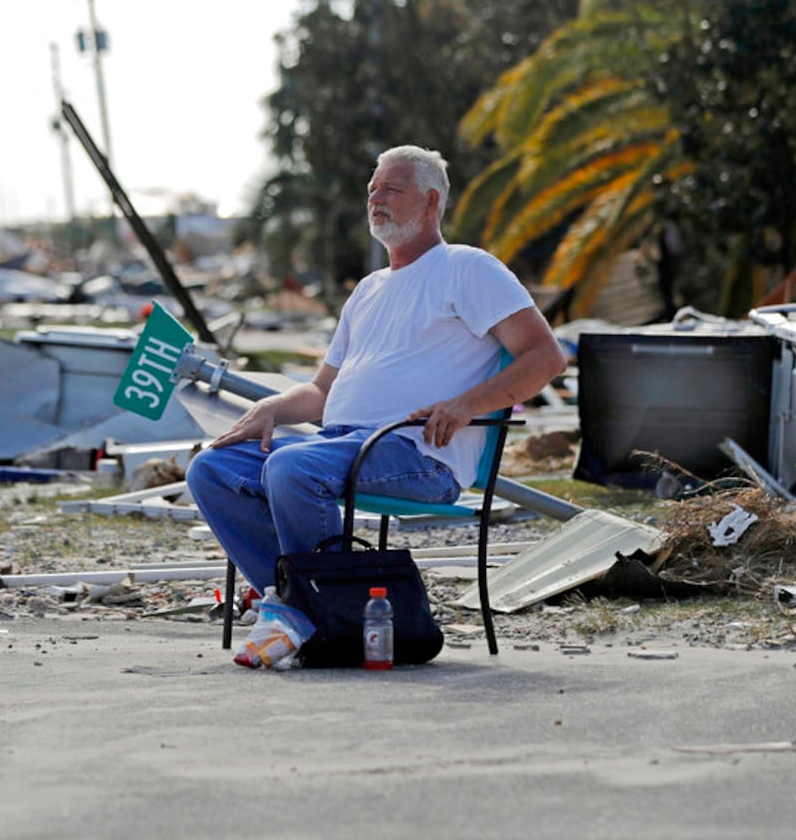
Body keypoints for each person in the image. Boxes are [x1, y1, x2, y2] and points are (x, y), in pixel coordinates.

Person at [185, 144, 567, 596]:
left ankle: (324, 606)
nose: (376, 198)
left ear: (430, 202)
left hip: (418, 454)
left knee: (292, 467)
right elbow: (322, 393)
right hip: (340, 445)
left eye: (391, 188)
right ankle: (291, 597)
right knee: (211, 469)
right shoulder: (368, 289)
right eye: (372, 189)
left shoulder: (467, 268)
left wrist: (467, 405)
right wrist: (273, 407)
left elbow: (546, 357)